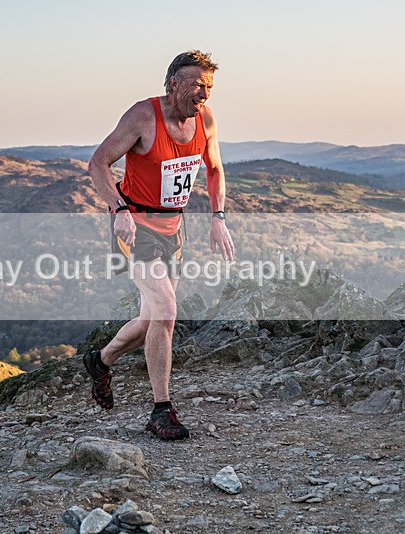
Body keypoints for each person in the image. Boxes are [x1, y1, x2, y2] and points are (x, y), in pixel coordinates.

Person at [86, 50, 236, 440]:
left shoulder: (206, 120)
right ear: (174, 84)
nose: (205, 94)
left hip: (174, 229)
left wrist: (218, 218)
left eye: (210, 87)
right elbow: (98, 162)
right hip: (136, 226)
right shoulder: (143, 117)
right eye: (198, 85)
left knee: (153, 318)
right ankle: (161, 410)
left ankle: (101, 362)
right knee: (167, 310)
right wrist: (117, 208)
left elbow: (215, 169)